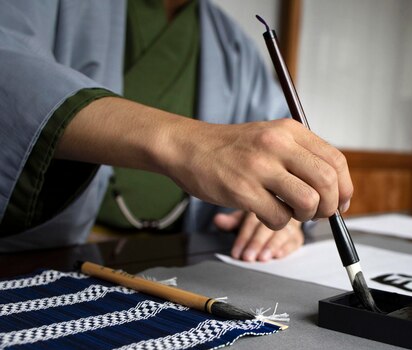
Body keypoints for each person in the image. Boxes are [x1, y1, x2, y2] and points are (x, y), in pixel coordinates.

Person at [0, 0, 353, 260]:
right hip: (43, 259)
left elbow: (279, 147)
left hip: (187, 264)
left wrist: (280, 207)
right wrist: (182, 142)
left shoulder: (230, 43)